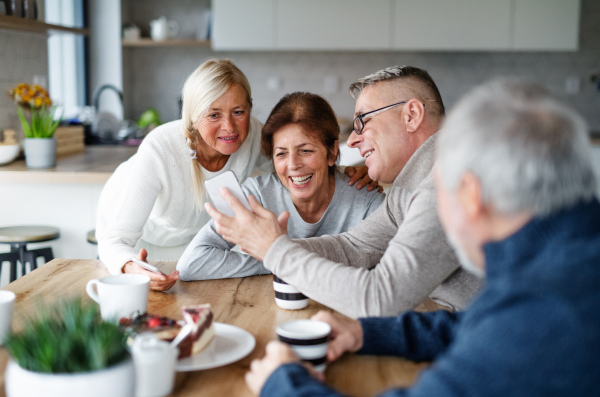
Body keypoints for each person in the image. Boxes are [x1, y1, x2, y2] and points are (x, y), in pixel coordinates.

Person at [244, 79, 600, 396]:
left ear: (471, 195)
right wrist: (369, 334)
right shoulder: (561, 264)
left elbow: (506, 328)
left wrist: (282, 383)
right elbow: (477, 321)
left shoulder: (550, 313)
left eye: (442, 190)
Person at [206, 66, 482, 316]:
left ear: (411, 115)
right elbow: (352, 248)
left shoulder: (448, 185)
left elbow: (381, 297)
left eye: (363, 120)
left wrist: (275, 249)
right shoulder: (407, 190)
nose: (353, 138)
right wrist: (268, 244)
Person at [96, 58, 376, 291]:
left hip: (191, 240)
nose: (229, 127)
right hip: (138, 237)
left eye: (238, 111)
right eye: (214, 114)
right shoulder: (159, 149)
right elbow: (116, 240)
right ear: (192, 116)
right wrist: (131, 267)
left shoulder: (253, 136)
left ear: (250, 108)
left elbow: (297, 166)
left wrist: (353, 170)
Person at [177, 92, 385, 280]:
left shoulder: (365, 198)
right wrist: (274, 259)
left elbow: (390, 267)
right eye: (281, 154)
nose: (293, 165)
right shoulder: (255, 196)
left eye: (305, 151)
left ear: (331, 152)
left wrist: (276, 253)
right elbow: (192, 263)